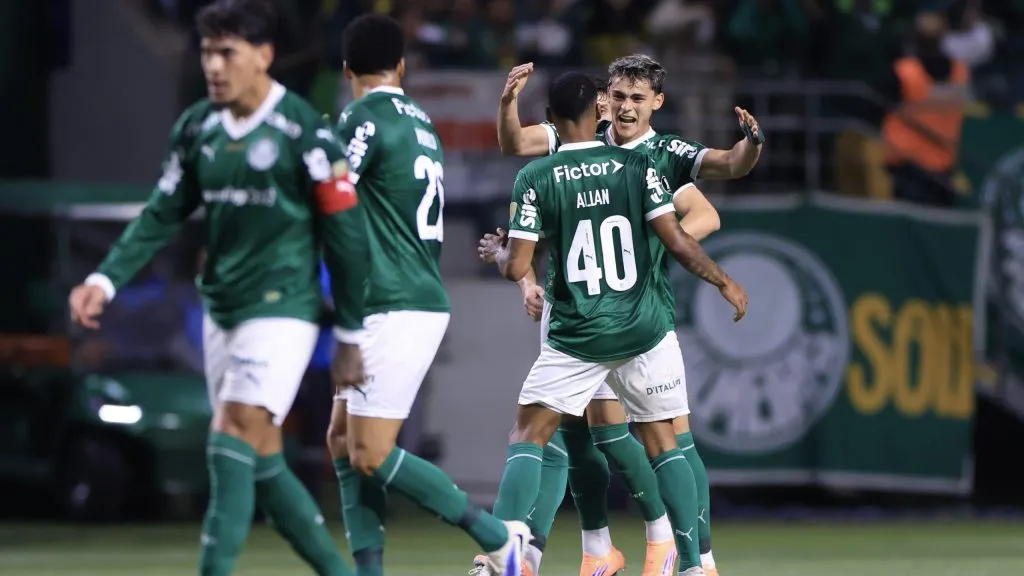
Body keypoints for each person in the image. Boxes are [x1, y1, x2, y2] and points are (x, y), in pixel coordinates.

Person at [67, 1, 366, 575]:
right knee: (261, 459)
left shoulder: (304, 132)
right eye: (207, 52)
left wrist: (350, 330)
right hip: (222, 311)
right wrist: (104, 278)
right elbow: (161, 213)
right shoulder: (198, 127)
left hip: (283, 311)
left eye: (226, 52)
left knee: (228, 434)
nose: (213, 65)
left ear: (264, 56)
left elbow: (346, 235)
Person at [492, 55, 764, 576]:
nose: (624, 107)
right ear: (602, 99)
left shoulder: (659, 154)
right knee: (594, 433)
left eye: (636, 98)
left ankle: (686, 553)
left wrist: (751, 145)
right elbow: (514, 144)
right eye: (617, 96)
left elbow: (708, 206)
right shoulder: (591, 141)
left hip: (625, 310)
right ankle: (601, 550)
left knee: (662, 437)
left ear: (656, 103)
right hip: (596, 308)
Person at [326, 13, 530, 576]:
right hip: (399, 297)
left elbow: (331, 188)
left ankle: (498, 537)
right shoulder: (420, 120)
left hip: (394, 301)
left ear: (347, 70)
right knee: (343, 441)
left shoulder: (362, 118)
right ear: (402, 66)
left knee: (369, 450)